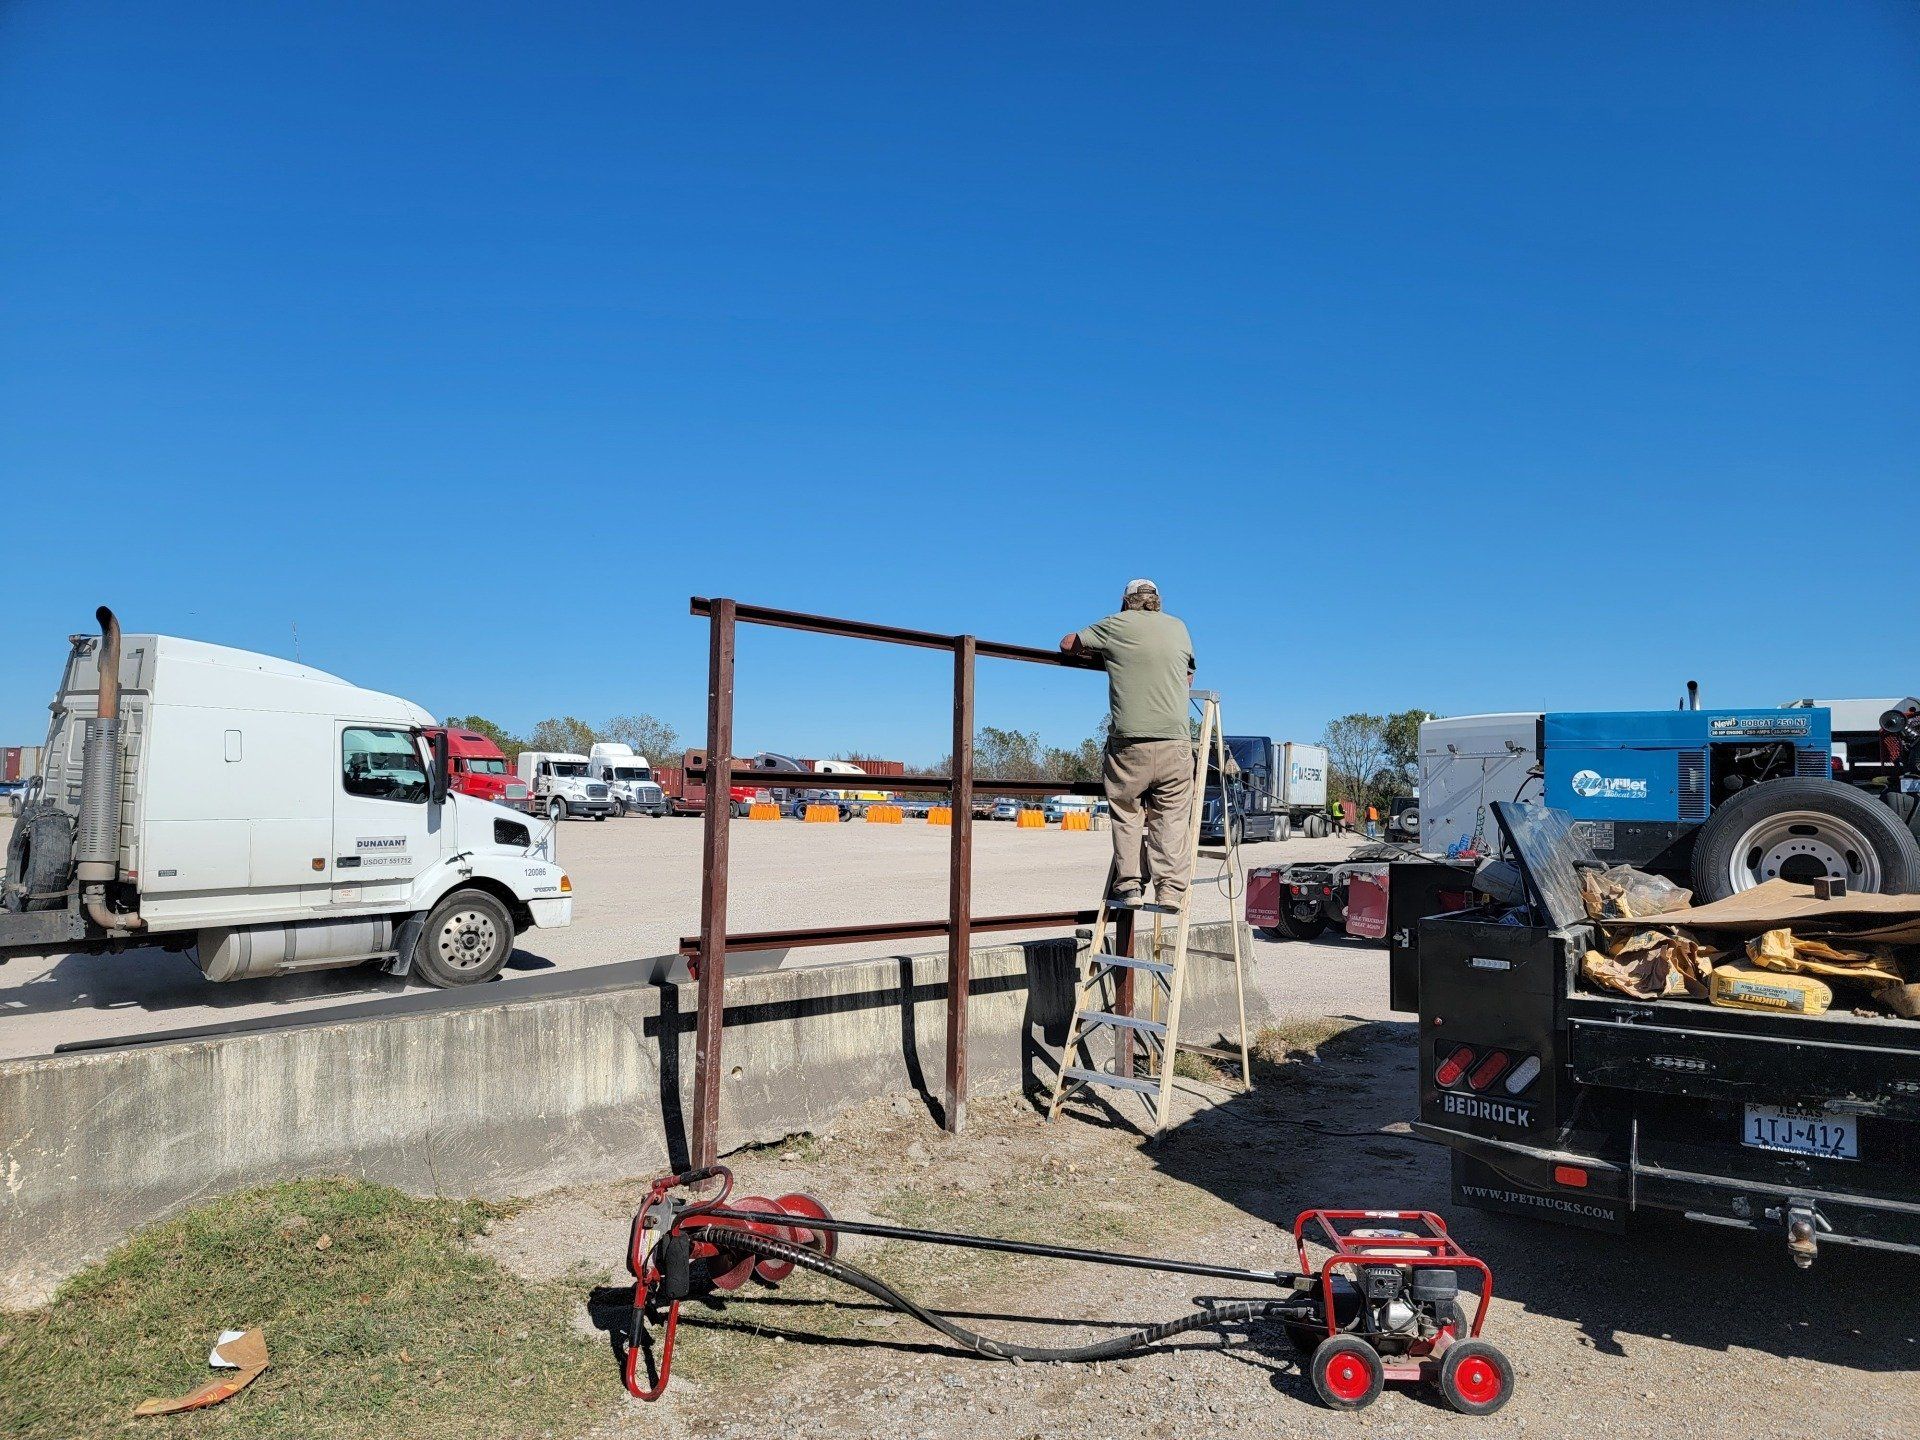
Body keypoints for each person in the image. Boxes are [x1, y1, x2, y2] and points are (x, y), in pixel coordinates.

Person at [1060, 579, 1197, 907]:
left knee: (1126, 812)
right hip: (1175, 744)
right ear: (1158, 601)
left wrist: (1103, 651)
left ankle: (1131, 886)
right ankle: (1172, 891)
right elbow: (1189, 675)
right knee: (1172, 818)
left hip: (1130, 745)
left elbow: (1068, 644)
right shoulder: (1179, 627)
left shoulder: (1115, 624)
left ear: (1126, 602)